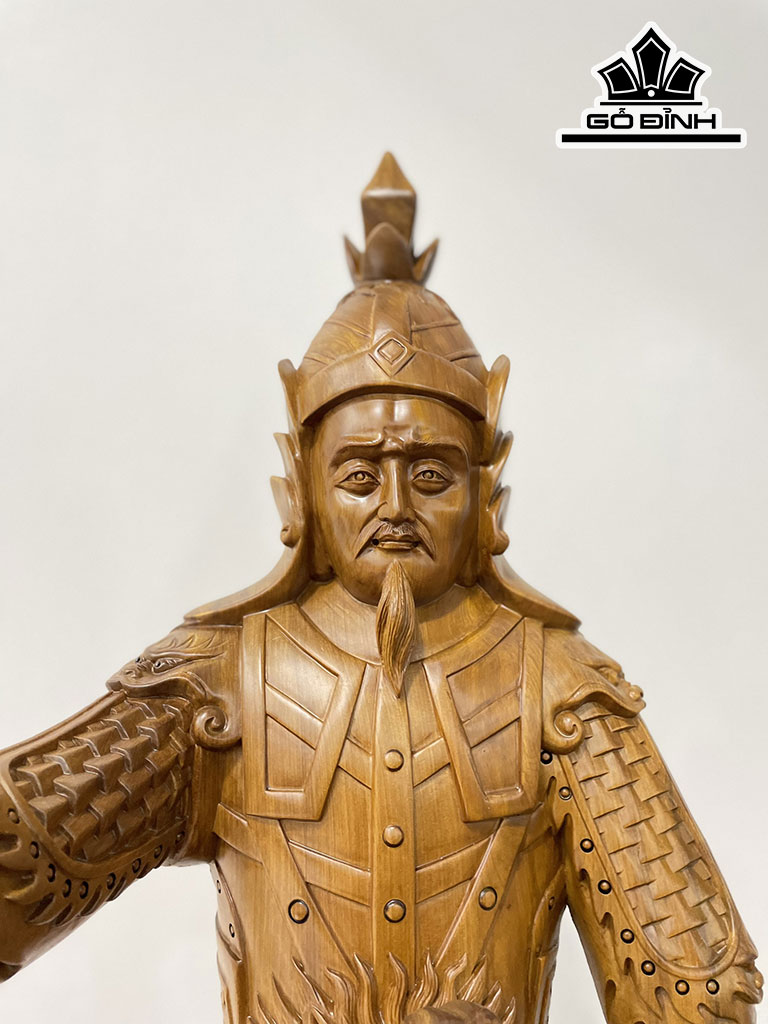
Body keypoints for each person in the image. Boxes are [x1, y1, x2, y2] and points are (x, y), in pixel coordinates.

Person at [0, 155, 761, 1024]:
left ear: (484, 492)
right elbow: (22, 858)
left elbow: (695, 990)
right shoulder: (220, 681)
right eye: (360, 476)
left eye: (431, 476)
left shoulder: (563, 691)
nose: (395, 507)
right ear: (303, 490)